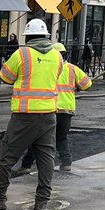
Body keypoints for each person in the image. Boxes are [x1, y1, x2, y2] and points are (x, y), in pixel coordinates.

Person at [0, 18, 63, 210]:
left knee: (7, 157)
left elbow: (5, 76)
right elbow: (55, 78)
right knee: (46, 159)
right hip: (49, 116)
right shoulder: (57, 56)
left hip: (24, 116)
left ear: (28, 37)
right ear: (45, 36)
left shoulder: (22, 53)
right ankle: (42, 201)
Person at [15, 43, 92, 174]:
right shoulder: (72, 69)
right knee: (61, 137)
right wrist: (77, 87)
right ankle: (66, 162)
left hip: (50, 108)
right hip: (66, 110)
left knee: (37, 139)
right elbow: (87, 84)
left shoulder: (47, 68)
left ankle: (27, 165)